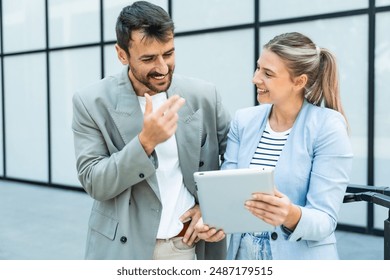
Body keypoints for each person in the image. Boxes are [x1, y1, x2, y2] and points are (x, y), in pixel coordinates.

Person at [72, 1, 230, 260]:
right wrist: (145, 142)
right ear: (122, 55)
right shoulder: (91, 102)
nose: (163, 67)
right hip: (123, 251)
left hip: (188, 247)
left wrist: (212, 207)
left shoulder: (203, 96)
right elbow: (94, 182)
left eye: (168, 53)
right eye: (148, 59)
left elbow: (236, 159)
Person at [196, 32, 353, 260]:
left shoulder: (327, 127)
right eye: (258, 68)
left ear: (299, 82)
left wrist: (290, 215)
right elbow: (226, 189)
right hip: (244, 256)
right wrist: (213, 221)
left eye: (268, 73)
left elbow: (325, 220)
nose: (255, 78)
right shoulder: (244, 120)